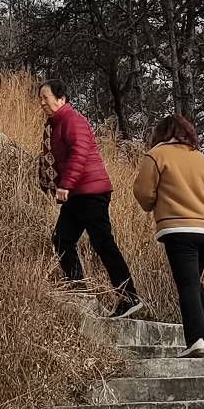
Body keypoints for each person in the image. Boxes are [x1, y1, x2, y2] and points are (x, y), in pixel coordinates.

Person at [40, 82, 142, 319]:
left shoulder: (73, 120)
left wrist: (65, 185)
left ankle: (129, 296)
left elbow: (80, 152)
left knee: (102, 242)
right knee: (62, 238)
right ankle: (78, 288)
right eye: (41, 98)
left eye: (46, 97)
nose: (42, 102)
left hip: (91, 192)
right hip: (78, 194)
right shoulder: (57, 124)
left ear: (62, 99)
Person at [132, 112, 204, 355]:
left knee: (186, 283)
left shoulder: (157, 155)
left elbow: (143, 192)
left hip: (178, 228)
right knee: (193, 279)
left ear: (161, 133)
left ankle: (195, 341)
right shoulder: (202, 159)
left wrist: (155, 204)